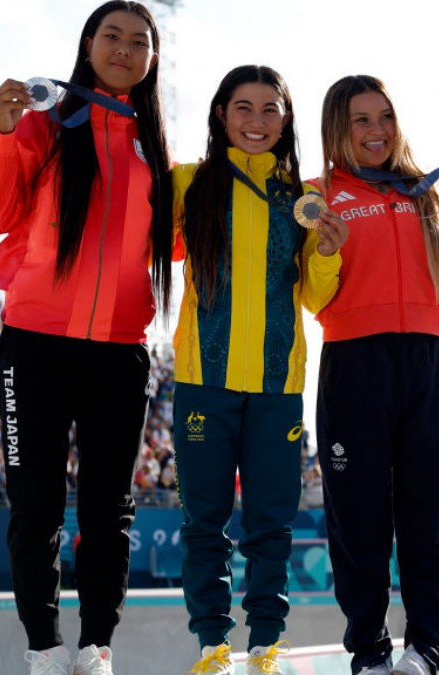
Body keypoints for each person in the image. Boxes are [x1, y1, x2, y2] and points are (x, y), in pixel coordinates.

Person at [0, 2, 174, 673]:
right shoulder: (47, 123)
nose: (124, 48)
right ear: (88, 44)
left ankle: (95, 646)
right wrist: (4, 131)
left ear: (151, 59)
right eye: (111, 36)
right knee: (35, 501)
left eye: (139, 41)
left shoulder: (155, 144)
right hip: (34, 340)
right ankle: (42, 646)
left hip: (120, 347)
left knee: (108, 507)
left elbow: (173, 241)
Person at [311, 75, 439, 675]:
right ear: (337, 129)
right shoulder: (317, 194)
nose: (376, 131)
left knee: (431, 518)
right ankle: (368, 653)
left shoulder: (425, 193)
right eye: (360, 119)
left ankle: (425, 649)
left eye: (384, 117)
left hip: (428, 361)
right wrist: (322, 250)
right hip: (353, 361)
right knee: (358, 521)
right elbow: (308, 290)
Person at [170, 65, 347, 675]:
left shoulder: (303, 198)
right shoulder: (188, 183)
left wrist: (326, 253)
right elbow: (141, 243)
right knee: (204, 521)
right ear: (221, 114)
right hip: (203, 383)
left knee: (271, 522)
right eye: (242, 108)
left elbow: (318, 299)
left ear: (286, 119)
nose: (256, 121)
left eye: (270, 109)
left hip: (277, 388)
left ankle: (267, 644)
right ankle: (212, 646)